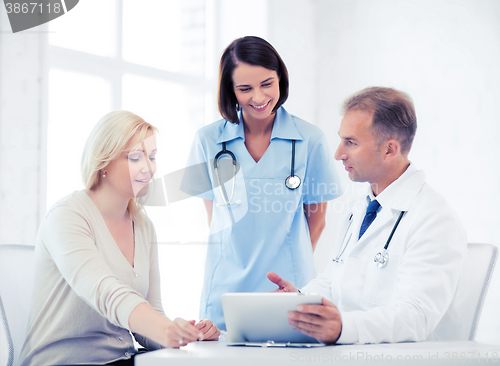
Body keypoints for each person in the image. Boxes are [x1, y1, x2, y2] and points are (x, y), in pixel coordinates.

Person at [268, 87, 467, 344]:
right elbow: (333, 281)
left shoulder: (435, 219)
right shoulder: (358, 207)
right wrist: (298, 300)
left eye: (351, 142)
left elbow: (415, 317)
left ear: (389, 150)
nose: (338, 153)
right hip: (353, 355)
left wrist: (343, 327)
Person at [20, 111, 219, 366]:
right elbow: (107, 293)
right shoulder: (67, 216)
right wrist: (164, 329)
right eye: (135, 157)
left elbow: (149, 315)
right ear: (103, 161)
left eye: (153, 157)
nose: (148, 168)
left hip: (122, 359)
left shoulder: (144, 225)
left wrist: (186, 334)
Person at [182, 36, 342, 330]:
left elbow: (316, 222)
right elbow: (215, 218)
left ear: (281, 78)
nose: (258, 97)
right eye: (245, 88)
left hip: (288, 286)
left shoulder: (310, 139)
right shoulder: (207, 141)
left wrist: (293, 267)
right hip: (226, 290)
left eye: (267, 84)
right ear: (230, 91)